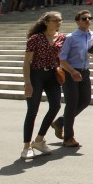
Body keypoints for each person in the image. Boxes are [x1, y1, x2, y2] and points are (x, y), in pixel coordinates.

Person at [21, 11, 66, 159]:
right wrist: (27, 82)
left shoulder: (62, 38)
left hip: (52, 75)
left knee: (56, 106)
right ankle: (26, 146)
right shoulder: (35, 38)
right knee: (32, 110)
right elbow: (27, 62)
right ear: (46, 22)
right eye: (55, 20)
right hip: (36, 75)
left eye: (60, 20)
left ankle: (39, 140)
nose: (58, 23)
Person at [53, 10, 93, 148]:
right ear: (77, 21)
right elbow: (61, 58)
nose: (87, 20)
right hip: (70, 72)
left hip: (85, 71)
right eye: (84, 18)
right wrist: (72, 71)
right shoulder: (70, 37)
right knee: (72, 103)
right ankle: (68, 138)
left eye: (89, 18)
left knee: (85, 101)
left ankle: (60, 122)